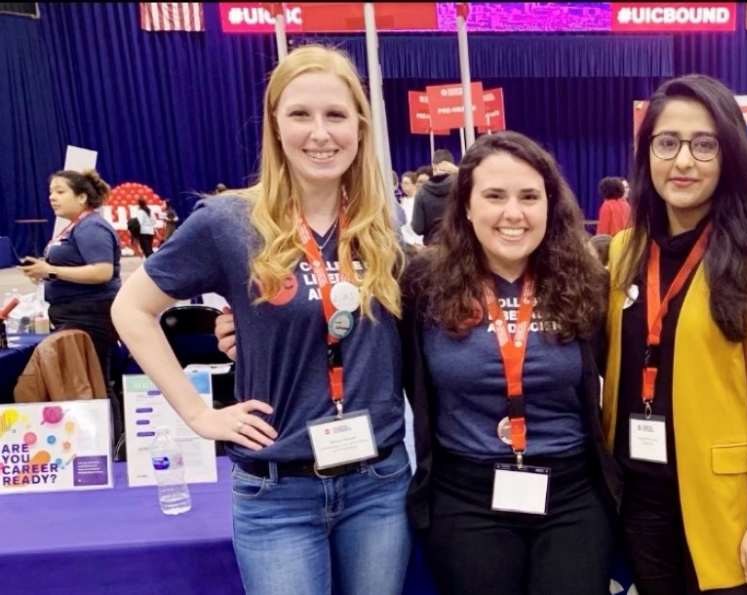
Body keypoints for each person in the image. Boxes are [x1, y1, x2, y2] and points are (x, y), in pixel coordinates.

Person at [110, 45, 411, 595]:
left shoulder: (382, 227)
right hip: (277, 494)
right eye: (300, 114)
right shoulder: (228, 222)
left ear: (361, 128)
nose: (320, 133)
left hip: (378, 483)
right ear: (275, 126)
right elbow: (130, 310)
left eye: (336, 115)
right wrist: (200, 415)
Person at [602, 75, 747, 595]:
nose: (683, 161)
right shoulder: (624, 249)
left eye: (703, 144)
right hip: (638, 495)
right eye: (667, 143)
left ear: (728, 154)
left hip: (722, 503)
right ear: (647, 154)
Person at [401, 131, 621, 595]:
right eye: (494, 196)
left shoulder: (586, 279)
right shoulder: (423, 283)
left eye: (529, 197)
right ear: (465, 204)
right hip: (466, 498)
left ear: (550, 204)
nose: (513, 214)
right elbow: (373, 355)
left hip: (571, 496)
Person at [18, 168, 122, 409]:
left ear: (82, 197)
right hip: (74, 316)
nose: (52, 197)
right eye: (51, 192)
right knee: (88, 383)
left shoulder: (91, 227)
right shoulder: (76, 226)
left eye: (60, 191)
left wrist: (52, 271)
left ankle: (111, 442)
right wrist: (44, 273)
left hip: (91, 318)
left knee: (96, 384)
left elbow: (102, 272)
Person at [412, 149, 459, 245]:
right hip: (458, 245)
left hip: (432, 248)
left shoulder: (422, 192)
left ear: (433, 165)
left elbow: (417, 229)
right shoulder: (461, 187)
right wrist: (459, 172)